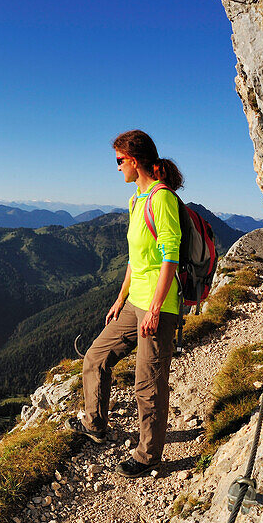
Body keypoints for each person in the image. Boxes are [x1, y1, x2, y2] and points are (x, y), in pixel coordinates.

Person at [67, 130, 183, 478]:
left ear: (134, 160)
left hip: (158, 308)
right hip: (135, 303)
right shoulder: (137, 199)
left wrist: (154, 308)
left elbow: (169, 259)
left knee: (147, 384)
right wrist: (120, 299)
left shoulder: (162, 199)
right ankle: (95, 423)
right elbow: (136, 259)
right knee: (95, 357)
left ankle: (149, 456)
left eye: (120, 161)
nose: (117, 168)